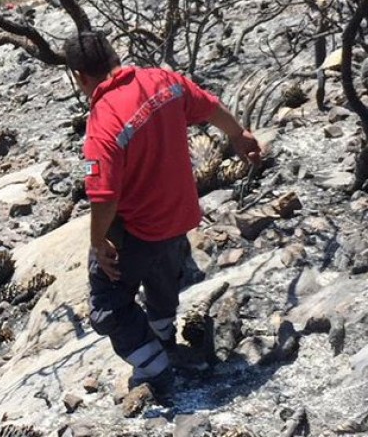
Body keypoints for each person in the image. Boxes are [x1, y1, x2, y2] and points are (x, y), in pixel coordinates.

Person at [63, 30, 262, 403]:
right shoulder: (162, 81)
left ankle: (155, 368)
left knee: (107, 306)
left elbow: (103, 198)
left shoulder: (103, 122)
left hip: (140, 228)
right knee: (162, 275)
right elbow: (210, 106)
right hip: (179, 216)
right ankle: (164, 333)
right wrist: (239, 135)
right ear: (113, 57)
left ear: (80, 77)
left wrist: (96, 240)